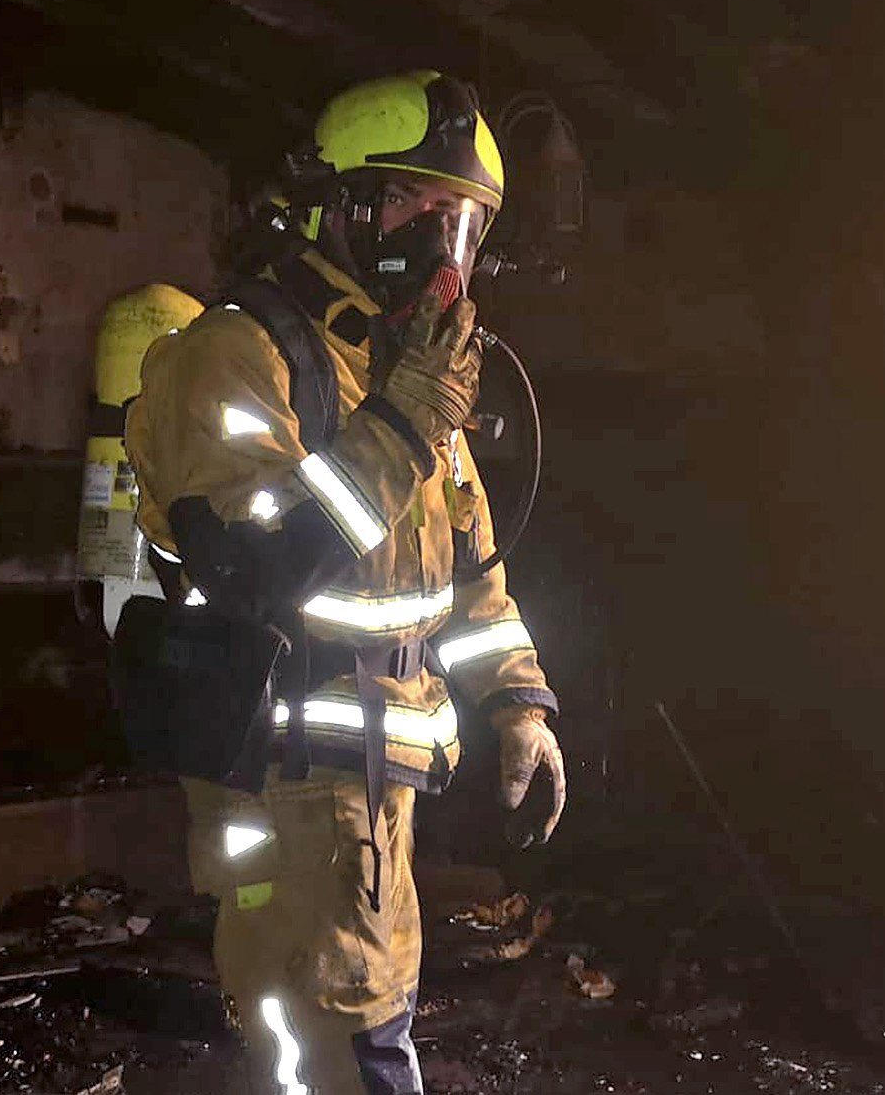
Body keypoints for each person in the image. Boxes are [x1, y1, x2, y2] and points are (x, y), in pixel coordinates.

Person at [124, 70, 567, 1094]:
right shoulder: (239, 354)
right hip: (285, 778)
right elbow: (255, 564)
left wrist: (517, 703)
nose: (446, 247)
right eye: (416, 204)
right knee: (333, 1042)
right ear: (341, 204)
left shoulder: (404, 367)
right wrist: (405, 425)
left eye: (465, 222)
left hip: (376, 781)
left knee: (360, 1019)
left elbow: (468, 564)